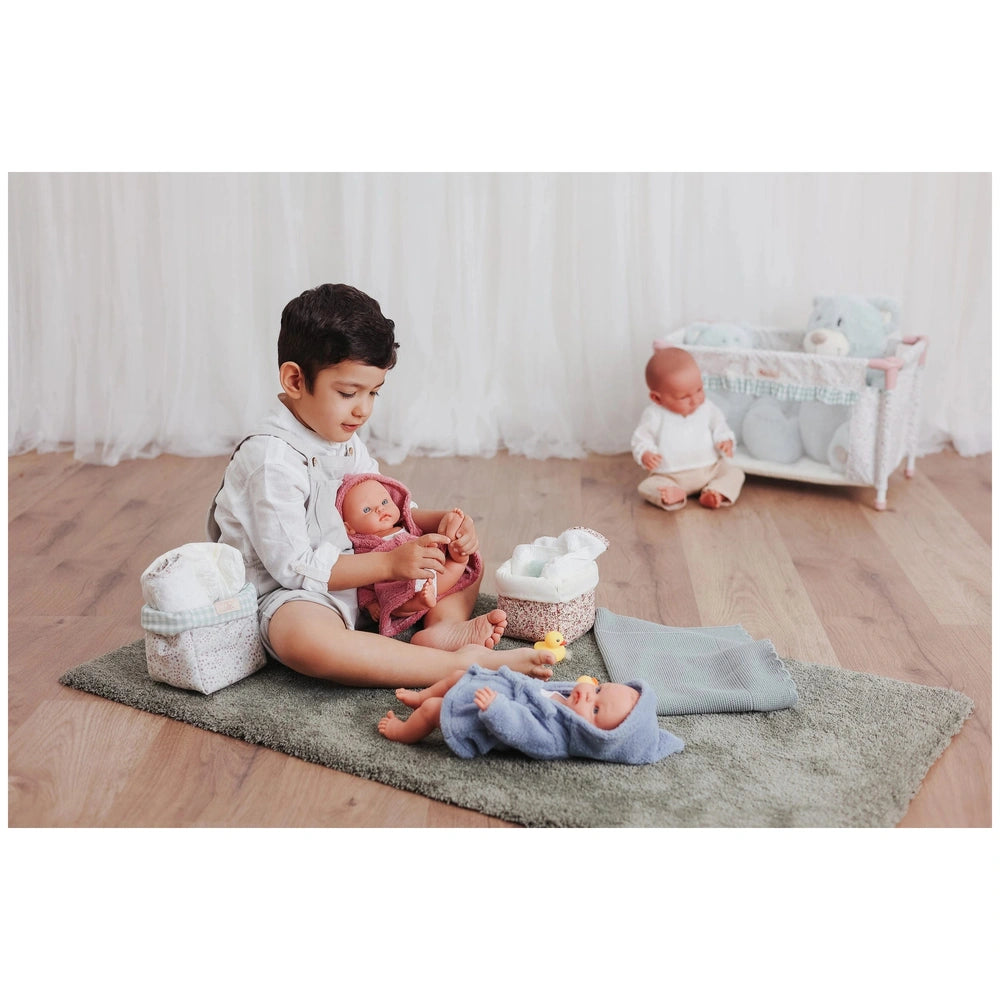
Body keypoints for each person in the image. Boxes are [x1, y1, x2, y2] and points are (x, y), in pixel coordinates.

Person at [208, 283, 556, 687]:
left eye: (374, 392)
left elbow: (383, 510)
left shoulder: (340, 436)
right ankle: (457, 668)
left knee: (461, 559)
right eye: (348, 392)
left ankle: (443, 630)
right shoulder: (270, 460)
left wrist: (438, 523)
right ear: (295, 379)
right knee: (304, 638)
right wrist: (390, 564)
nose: (363, 409)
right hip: (293, 595)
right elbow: (293, 567)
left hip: (361, 574)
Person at [377, 666, 684, 764]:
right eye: (599, 690)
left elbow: (522, 731)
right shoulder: (572, 698)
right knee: (459, 673)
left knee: (437, 710)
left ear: (595, 736)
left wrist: (497, 710)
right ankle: (421, 695)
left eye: (594, 708)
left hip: (487, 717)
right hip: (500, 689)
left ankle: (403, 731)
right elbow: (541, 690)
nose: (589, 695)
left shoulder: (555, 740)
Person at [336, 472, 482, 639]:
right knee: (394, 602)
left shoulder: (406, 527)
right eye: (367, 510)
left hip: (432, 576)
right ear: (349, 528)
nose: (380, 509)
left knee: (455, 564)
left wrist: (446, 542)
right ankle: (417, 602)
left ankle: (459, 558)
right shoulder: (363, 549)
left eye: (384, 501)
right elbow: (363, 583)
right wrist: (370, 604)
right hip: (399, 589)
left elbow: (421, 537)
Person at [630, 346, 745, 510]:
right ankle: (674, 494)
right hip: (670, 475)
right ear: (657, 398)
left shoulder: (707, 407)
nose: (696, 399)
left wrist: (725, 439)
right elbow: (641, 438)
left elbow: (719, 425)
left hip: (710, 470)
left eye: (699, 389)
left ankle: (715, 492)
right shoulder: (654, 415)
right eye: (684, 397)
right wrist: (645, 453)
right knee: (647, 486)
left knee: (735, 473)